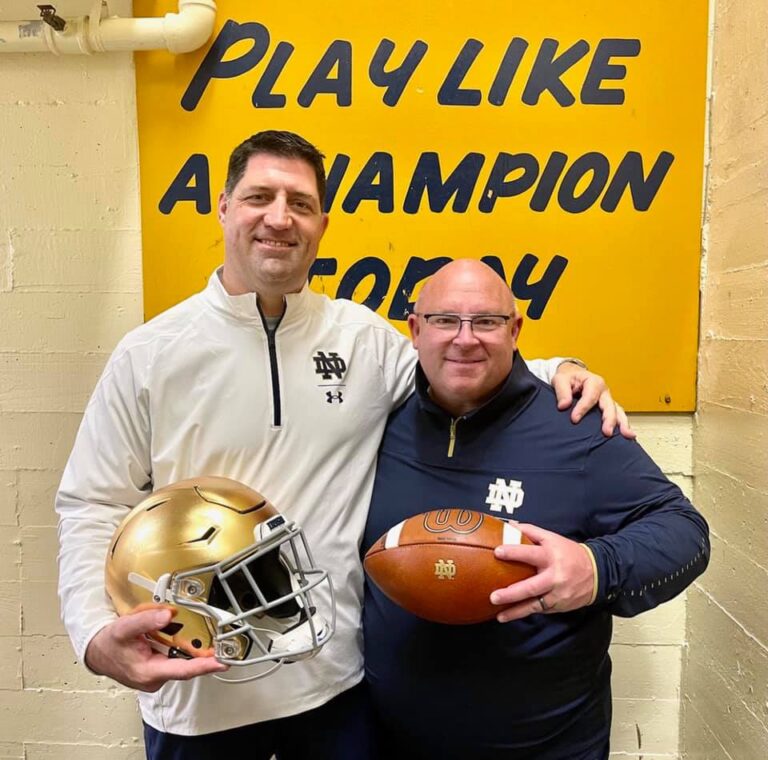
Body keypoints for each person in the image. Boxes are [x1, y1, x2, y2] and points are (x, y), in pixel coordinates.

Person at [56, 131, 629, 760]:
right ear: (222, 207)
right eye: (259, 197)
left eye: (300, 203)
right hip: (198, 693)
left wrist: (560, 369)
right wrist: (94, 632)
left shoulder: (362, 341)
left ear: (322, 223)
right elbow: (92, 505)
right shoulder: (149, 355)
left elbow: (458, 361)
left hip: (335, 690)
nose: (279, 217)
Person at [362, 259, 710, 760]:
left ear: (516, 329)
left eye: (486, 321)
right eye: (444, 320)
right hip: (392, 740)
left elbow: (686, 532)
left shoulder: (576, 425)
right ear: (415, 330)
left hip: (546, 746)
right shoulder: (378, 424)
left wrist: (598, 567)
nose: (465, 339)